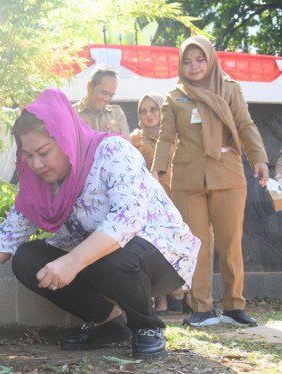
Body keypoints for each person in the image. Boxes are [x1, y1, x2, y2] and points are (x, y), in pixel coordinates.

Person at [0, 88, 200, 360]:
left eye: (44, 152)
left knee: (112, 254)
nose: (37, 164)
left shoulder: (113, 152)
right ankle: (108, 322)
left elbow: (127, 218)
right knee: (26, 258)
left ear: (65, 138)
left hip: (161, 254)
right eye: (29, 156)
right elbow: (12, 231)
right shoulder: (41, 184)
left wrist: (72, 262)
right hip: (101, 260)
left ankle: (147, 327)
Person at [151, 36, 269, 328]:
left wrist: (259, 158)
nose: (193, 66)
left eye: (199, 59)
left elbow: (245, 125)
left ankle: (233, 306)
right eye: (187, 61)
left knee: (231, 244)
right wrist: (157, 170)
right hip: (187, 179)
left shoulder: (230, 89)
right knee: (197, 246)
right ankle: (202, 309)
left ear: (210, 60)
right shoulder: (174, 95)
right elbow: (166, 137)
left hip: (228, 174)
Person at [131, 93, 189, 315]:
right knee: (158, 248)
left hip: (181, 196)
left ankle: (187, 297)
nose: (149, 114)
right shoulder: (136, 138)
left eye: (153, 108)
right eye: (143, 111)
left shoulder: (177, 134)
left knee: (182, 246)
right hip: (153, 203)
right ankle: (162, 301)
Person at [72, 64, 131, 143]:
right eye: (103, 92)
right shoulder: (72, 114)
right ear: (90, 86)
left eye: (111, 95)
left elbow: (127, 148)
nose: (106, 99)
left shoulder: (116, 114)